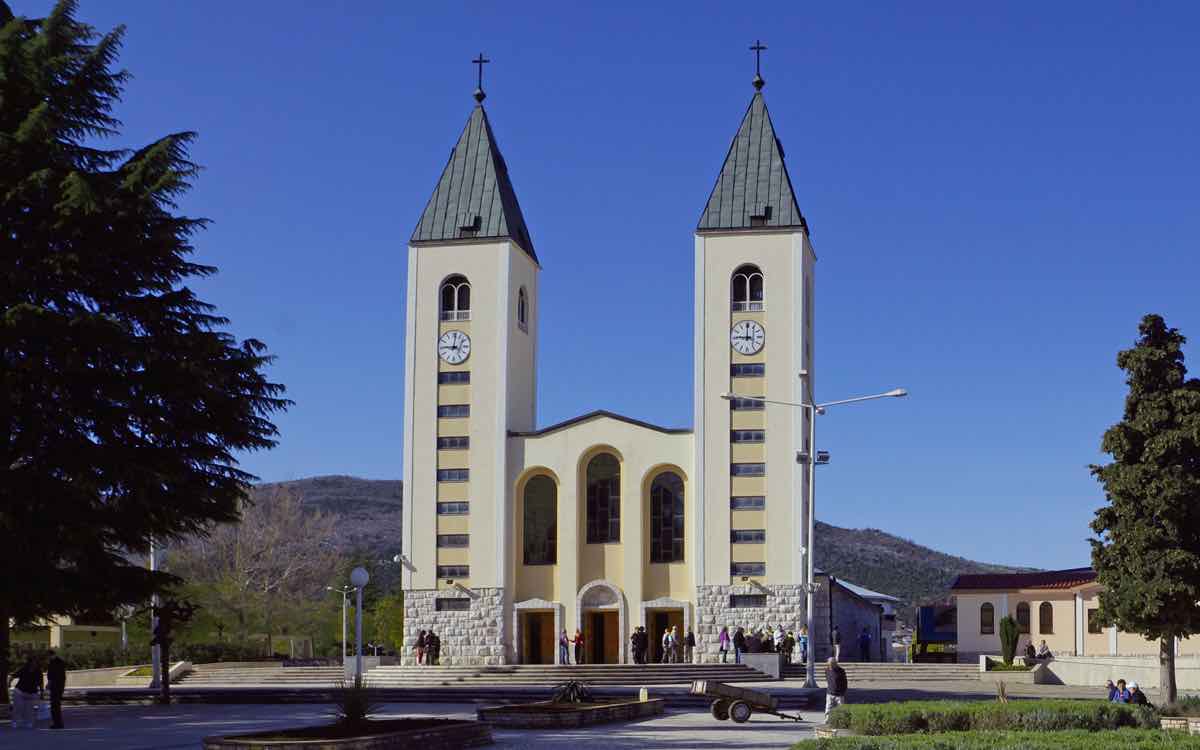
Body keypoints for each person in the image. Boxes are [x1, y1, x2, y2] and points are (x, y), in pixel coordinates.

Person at [10, 656, 43, 729]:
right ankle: (15, 722)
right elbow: (13, 675)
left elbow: (41, 683)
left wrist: (42, 692)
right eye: (33, 662)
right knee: (18, 708)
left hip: (31, 693)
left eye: (36, 662)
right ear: (29, 663)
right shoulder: (23, 669)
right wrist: (9, 682)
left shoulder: (38, 671)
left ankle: (29, 722)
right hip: (20, 692)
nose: (35, 664)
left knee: (30, 709)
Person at [824, 656, 848, 722]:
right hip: (830, 692)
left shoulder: (841, 671)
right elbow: (828, 679)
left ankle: (841, 721)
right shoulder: (827, 670)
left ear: (835, 664)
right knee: (828, 708)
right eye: (829, 664)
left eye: (832, 664)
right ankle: (827, 720)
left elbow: (845, 682)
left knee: (841, 709)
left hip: (839, 694)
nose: (830, 666)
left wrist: (843, 691)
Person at [46, 650, 67, 729]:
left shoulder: (53, 663)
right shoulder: (61, 662)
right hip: (60, 686)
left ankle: (57, 724)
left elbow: (51, 675)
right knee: (57, 705)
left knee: (54, 706)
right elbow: (63, 676)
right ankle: (59, 723)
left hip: (55, 687)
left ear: (50, 655)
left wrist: (48, 684)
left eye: (48, 656)